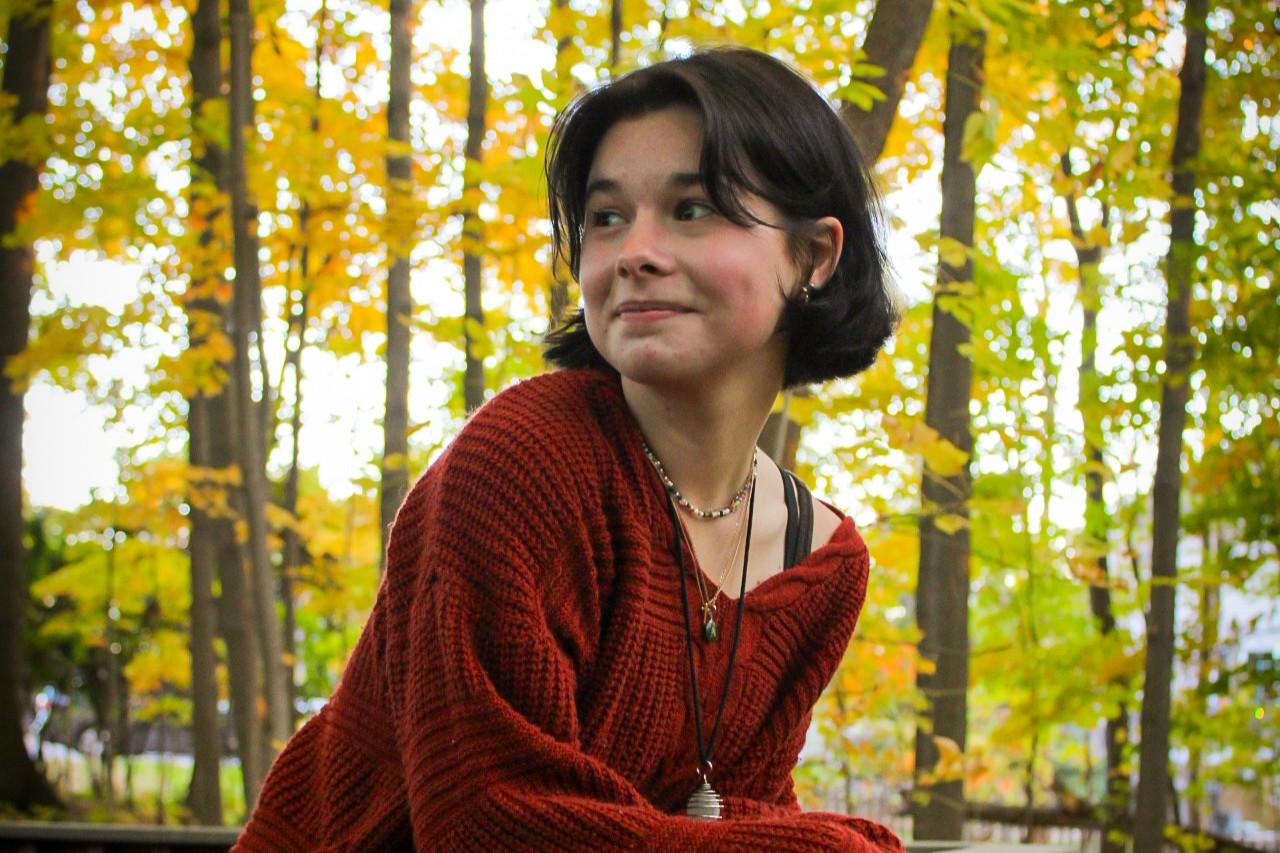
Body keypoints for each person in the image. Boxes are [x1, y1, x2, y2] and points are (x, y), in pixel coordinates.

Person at [235, 46, 901, 852]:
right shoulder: (523, 464)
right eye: (606, 218)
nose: (633, 252)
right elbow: (487, 821)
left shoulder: (817, 560)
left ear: (816, 256)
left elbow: (734, 807)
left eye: (692, 209)